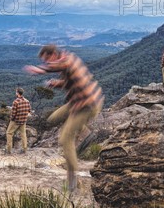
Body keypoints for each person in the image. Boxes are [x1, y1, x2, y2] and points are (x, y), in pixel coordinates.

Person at [24, 44, 104, 193]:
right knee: (52, 118)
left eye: (47, 59)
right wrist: (56, 83)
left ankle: (73, 180)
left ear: (54, 54)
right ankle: (85, 131)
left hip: (87, 105)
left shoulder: (68, 60)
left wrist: (41, 70)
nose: (47, 63)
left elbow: (60, 65)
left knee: (65, 138)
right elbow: (71, 82)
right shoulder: (67, 63)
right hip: (76, 102)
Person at [5, 87, 32, 154]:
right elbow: (29, 110)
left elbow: (13, 113)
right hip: (23, 121)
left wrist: (11, 119)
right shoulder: (27, 101)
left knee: (9, 133)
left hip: (16, 121)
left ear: (17, 93)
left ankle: (8, 150)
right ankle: (25, 149)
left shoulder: (15, 102)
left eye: (16, 92)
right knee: (23, 134)